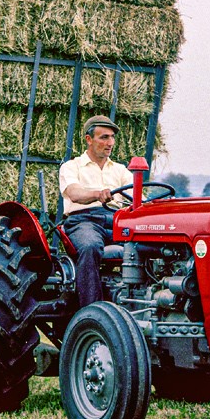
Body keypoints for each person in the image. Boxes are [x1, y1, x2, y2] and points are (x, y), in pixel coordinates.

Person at [58, 115, 134, 309]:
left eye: (112, 138)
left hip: (116, 221)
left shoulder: (121, 171)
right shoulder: (71, 167)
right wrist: (97, 194)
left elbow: (135, 196)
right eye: (104, 137)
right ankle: (91, 311)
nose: (110, 143)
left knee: (147, 247)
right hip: (84, 221)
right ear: (89, 139)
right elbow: (74, 193)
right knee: (90, 246)